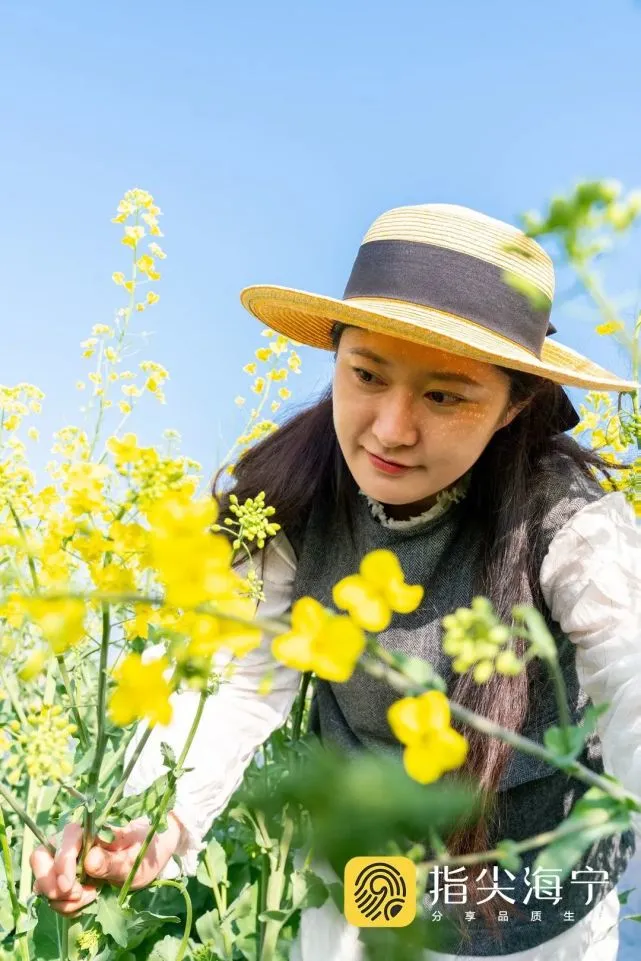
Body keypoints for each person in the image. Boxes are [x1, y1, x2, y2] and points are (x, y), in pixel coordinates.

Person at [32, 203, 640, 959]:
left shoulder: (571, 522)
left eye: (444, 395)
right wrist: (146, 820)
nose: (389, 428)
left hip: (536, 911)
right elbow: (232, 673)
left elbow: (632, 672)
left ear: (514, 406)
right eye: (365, 375)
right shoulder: (293, 491)